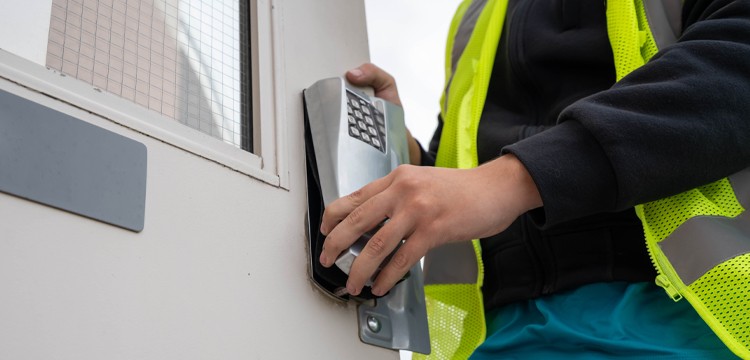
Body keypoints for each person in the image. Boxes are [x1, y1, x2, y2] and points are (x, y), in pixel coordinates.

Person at [320, 0, 750, 358]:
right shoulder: (476, 14)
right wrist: (402, 149)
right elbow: (469, 172)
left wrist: (514, 179)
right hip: (498, 337)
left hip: (686, 324)